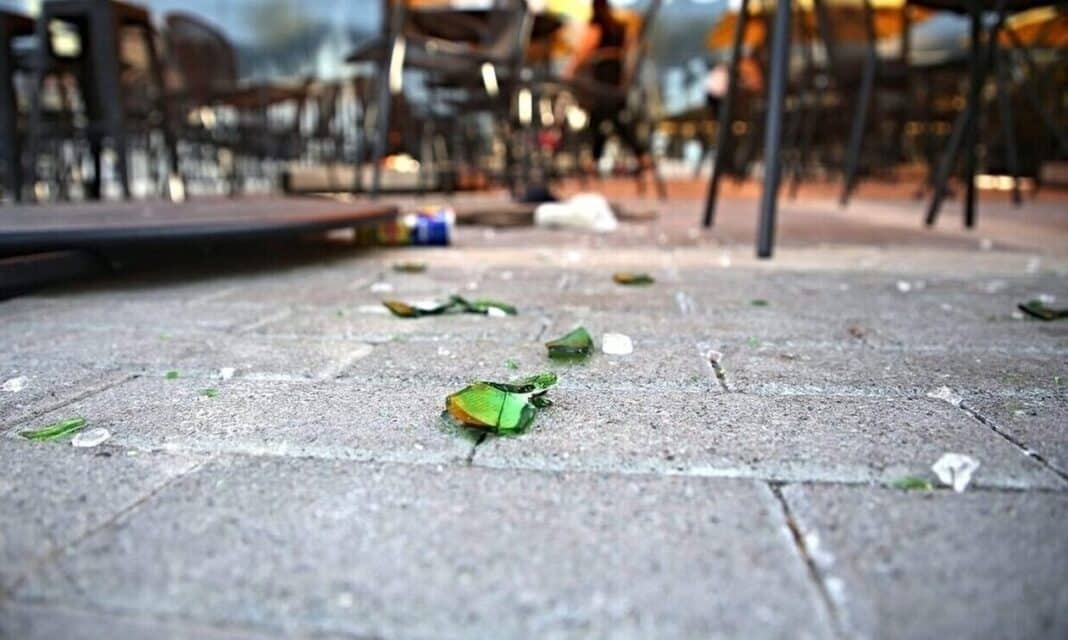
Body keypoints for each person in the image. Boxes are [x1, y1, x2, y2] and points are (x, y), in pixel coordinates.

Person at [563, 0, 649, 170]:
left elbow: (584, 51)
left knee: (604, 116)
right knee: (606, 116)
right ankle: (599, 159)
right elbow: (630, 49)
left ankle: (635, 155)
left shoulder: (597, 26)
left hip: (602, 74)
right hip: (616, 73)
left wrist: (570, 71)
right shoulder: (620, 28)